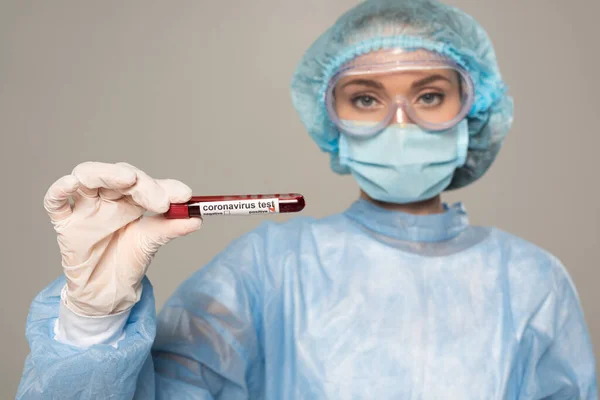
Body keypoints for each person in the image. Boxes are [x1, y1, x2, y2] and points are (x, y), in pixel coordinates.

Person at [17, 0, 597, 398]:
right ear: (332, 120)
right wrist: (92, 325)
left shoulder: (532, 284)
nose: (401, 124)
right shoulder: (271, 268)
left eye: (430, 93)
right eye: (367, 99)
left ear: (475, 112)